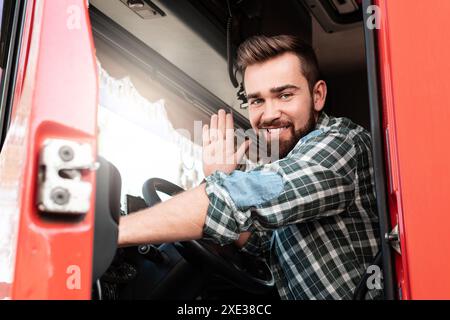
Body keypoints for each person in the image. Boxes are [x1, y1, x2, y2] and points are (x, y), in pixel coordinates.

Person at [118, 35, 381, 300]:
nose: (268, 114)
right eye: (257, 101)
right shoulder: (292, 162)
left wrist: (112, 232)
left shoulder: (339, 144)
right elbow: (267, 244)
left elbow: (238, 199)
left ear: (318, 95)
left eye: (285, 95)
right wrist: (217, 178)